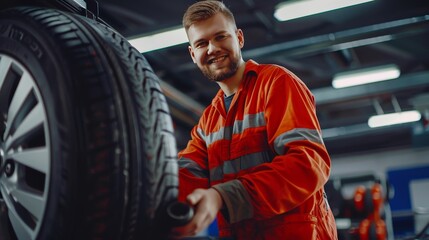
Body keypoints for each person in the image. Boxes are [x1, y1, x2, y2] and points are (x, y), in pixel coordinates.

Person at [172, 0, 338, 239]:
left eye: (220, 37)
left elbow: (307, 165)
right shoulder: (208, 122)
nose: (212, 48)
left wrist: (223, 196)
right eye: (201, 43)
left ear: (239, 38)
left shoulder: (277, 83)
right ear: (192, 54)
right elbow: (185, 178)